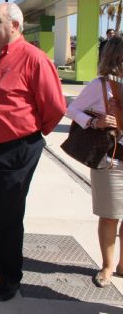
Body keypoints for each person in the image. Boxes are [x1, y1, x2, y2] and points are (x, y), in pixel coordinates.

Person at [0, 2, 65, 302]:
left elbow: (55, 108)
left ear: (15, 26)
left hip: (14, 151)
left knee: (7, 215)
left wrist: (26, 135)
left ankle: (9, 277)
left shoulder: (34, 59)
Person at [66, 34, 123, 288]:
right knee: (110, 216)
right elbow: (71, 109)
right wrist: (94, 122)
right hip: (111, 159)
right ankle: (108, 266)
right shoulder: (100, 86)